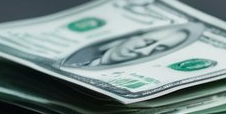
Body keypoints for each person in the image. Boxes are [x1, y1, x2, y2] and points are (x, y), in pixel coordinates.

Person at [60, 21, 205, 69]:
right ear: (135, 36)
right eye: (149, 42)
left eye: (159, 48)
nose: (145, 52)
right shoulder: (73, 58)